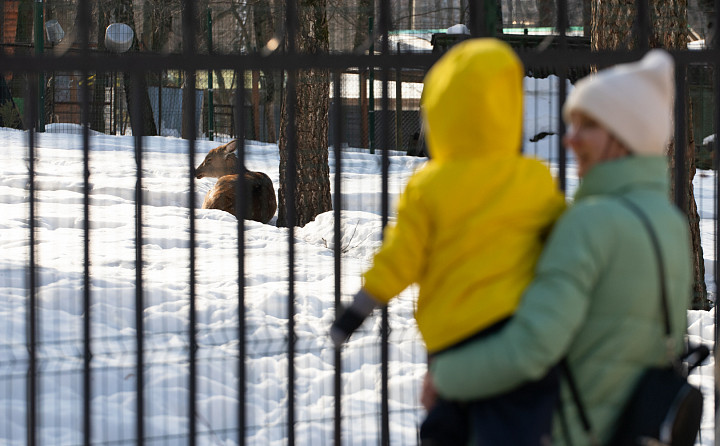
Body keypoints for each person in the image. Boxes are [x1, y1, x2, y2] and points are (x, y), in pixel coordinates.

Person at [423, 49, 692, 445]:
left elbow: (531, 348)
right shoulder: (669, 221)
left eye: (587, 126)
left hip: (571, 431)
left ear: (624, 136)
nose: (570, 139)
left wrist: (447, 377)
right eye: (571, 124)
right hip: (632, 426)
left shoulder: (589, 223)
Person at [330, 38, 565, 443]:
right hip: (522, 334)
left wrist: (358, 310)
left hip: (453, 339)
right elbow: (564, 247)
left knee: (448, 420)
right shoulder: (534, 179)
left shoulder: (428, 186)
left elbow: (400, 259)